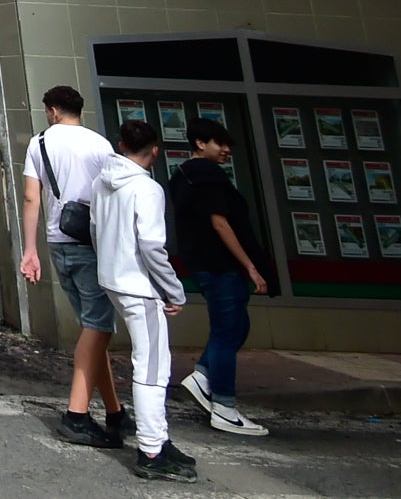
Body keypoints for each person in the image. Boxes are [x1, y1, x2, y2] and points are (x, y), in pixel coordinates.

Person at [19, 84, 130, 448]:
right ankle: (77, 415)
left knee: (91, 328)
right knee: (98, 327)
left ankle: (114, 412)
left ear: (52, 111)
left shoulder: (40, 144)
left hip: (57, 241)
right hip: (91, 243)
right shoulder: (100, 145)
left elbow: (30, 197)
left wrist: (29, 251)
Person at [97, 119, 197, 483]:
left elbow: (95, 228)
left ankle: (158, 440)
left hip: (112, 278)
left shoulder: (102, 181)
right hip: (140, 286)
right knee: (153, 369)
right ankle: (152, 449)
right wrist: (174, 290)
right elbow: (153, 248)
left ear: (121, 144)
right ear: (155, 150)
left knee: (148, 363)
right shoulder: (147, 189)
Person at [169, 119, 274, 437]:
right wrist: (250, 266)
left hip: (203, 263)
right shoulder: (208, 175)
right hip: (219, 264)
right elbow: (220, 223)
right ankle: (224, 407)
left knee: (234, 326)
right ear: (201, 143)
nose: (227, 149)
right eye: (219, 143)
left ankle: (203, 375)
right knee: (229, 332)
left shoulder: (182, 174)